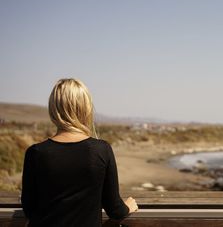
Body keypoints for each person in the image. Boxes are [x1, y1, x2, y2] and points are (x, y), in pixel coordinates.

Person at [21, 78, 138, 227]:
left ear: (53, 109)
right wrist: (128, 206)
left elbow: (29, 209)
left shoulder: (35, 153)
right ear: (86, 109)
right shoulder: (101, 150)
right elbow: (114, 209)